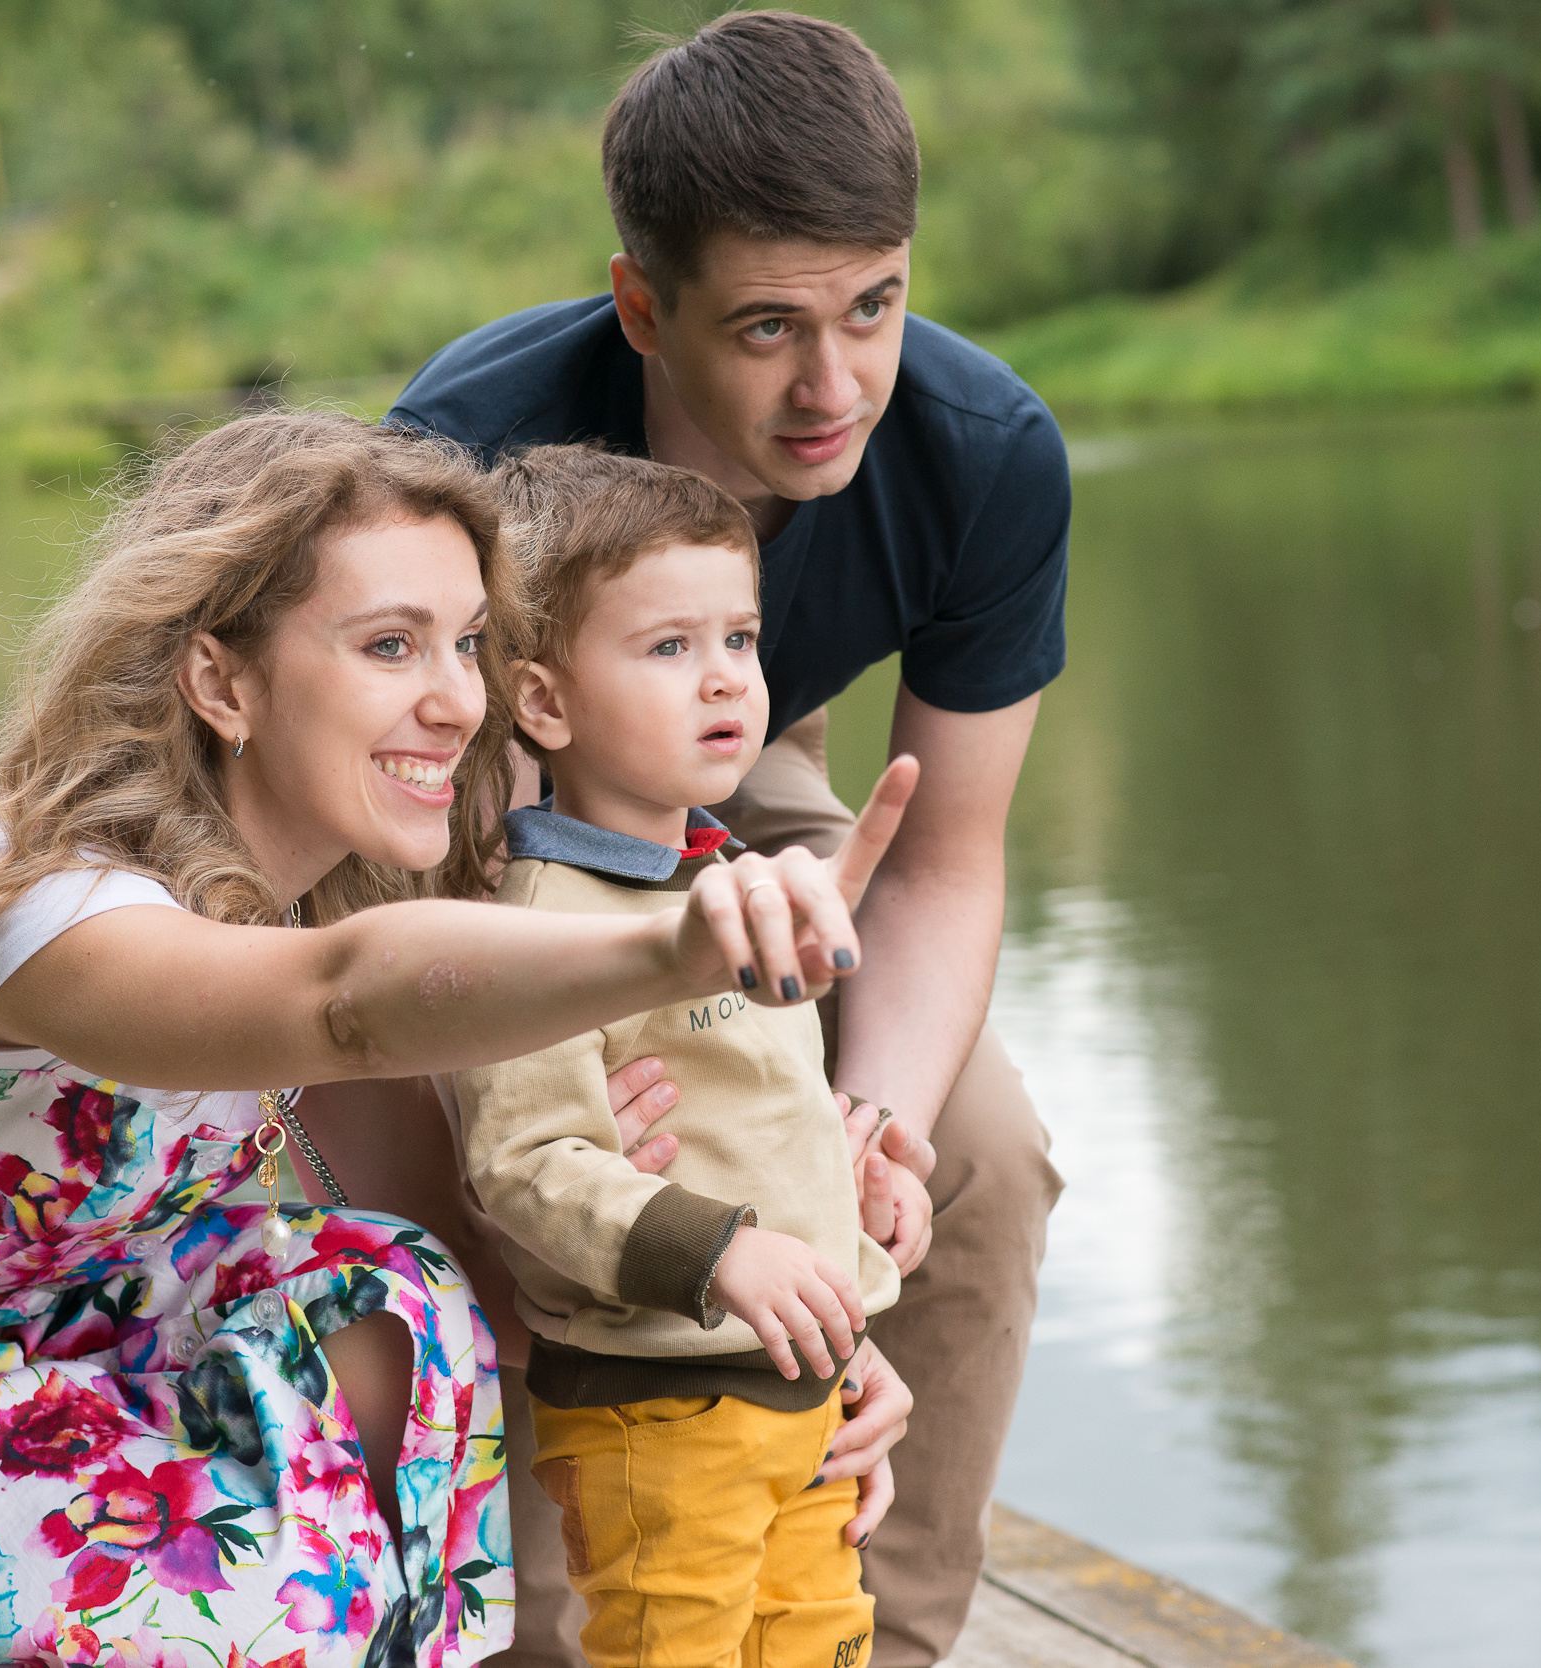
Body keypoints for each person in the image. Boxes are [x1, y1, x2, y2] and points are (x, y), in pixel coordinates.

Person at [0, 412, 911, 1668]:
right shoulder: (31, 902)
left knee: (398, 1302)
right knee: (272, 1575)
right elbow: (344, 1000)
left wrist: (796, 1359)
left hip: (30, 1339)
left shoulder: (310, 890)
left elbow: (489, 1250)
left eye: (468, 642)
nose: (457, 701)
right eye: (387, 646)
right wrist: (677, 940)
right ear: (221, 683)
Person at [385, 15, 1068, 1667]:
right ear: (643, 306)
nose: (834, 386)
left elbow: (949, 852)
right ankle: (560, 1620)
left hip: (746, 749)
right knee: (540, 1161)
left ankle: (875, 1637)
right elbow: (378, 869)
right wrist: (540, 1042)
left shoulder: (981, 457)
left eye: (873, 308)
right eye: (766, 327)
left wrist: (865, 1152)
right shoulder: (455, 464)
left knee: (978, 1150)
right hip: (479, 797)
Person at [450, 445, 920, 1668]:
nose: (724, 680)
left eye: (740, 641)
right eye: (669, 649)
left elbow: (752, 1118)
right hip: (664, 1410)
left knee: (820, 1641)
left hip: (796, 1390)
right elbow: (529, 1162)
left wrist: (851, 1218)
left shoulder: (723, 879)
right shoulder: (545, 926)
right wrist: (719, 1250)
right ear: (543, 704)